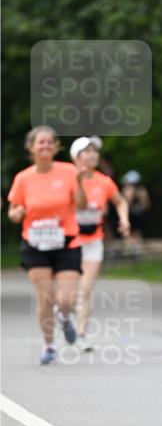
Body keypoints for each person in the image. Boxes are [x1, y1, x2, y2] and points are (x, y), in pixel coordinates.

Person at [7, 126, 87, 365]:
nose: (45, 146)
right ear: (31, 147)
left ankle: (64, 317)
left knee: (66, 300)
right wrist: (17, 212)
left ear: (56, 147)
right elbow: (12, 212)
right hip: (35, 244)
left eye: (50, 142)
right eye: (40, 142)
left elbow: (81, 206)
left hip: (66, 242)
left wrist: (81, 182)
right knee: (45, 298)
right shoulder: (23, 178)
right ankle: (49, 345)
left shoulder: (69, 172)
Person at [70, 137, 131, 351]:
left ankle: (81, 334)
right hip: (68, 242)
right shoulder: (66, 177)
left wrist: (124, 219)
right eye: (87, 151)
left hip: (93, 241)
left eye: (95, 151)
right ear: (76, 156)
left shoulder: (103, 181)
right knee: (67, 292)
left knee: (85, 289)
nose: (93, 155)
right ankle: (64, 317)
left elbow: (120, 201)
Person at [120, 170, 151, 244]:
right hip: (128, 217)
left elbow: (147, 206)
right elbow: (125, 206)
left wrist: (141, 198)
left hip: (138, 217)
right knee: (127, 235)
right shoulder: (126, 190)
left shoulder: (142, 191)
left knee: (137, 235)